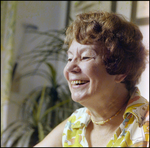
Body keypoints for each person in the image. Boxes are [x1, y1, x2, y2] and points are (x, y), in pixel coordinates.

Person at [34, 11, 149, 147]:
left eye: (85, 57)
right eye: (69, 58)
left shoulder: (145, 124)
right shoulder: (76, 123)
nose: (69, 68)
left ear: (121, 69)